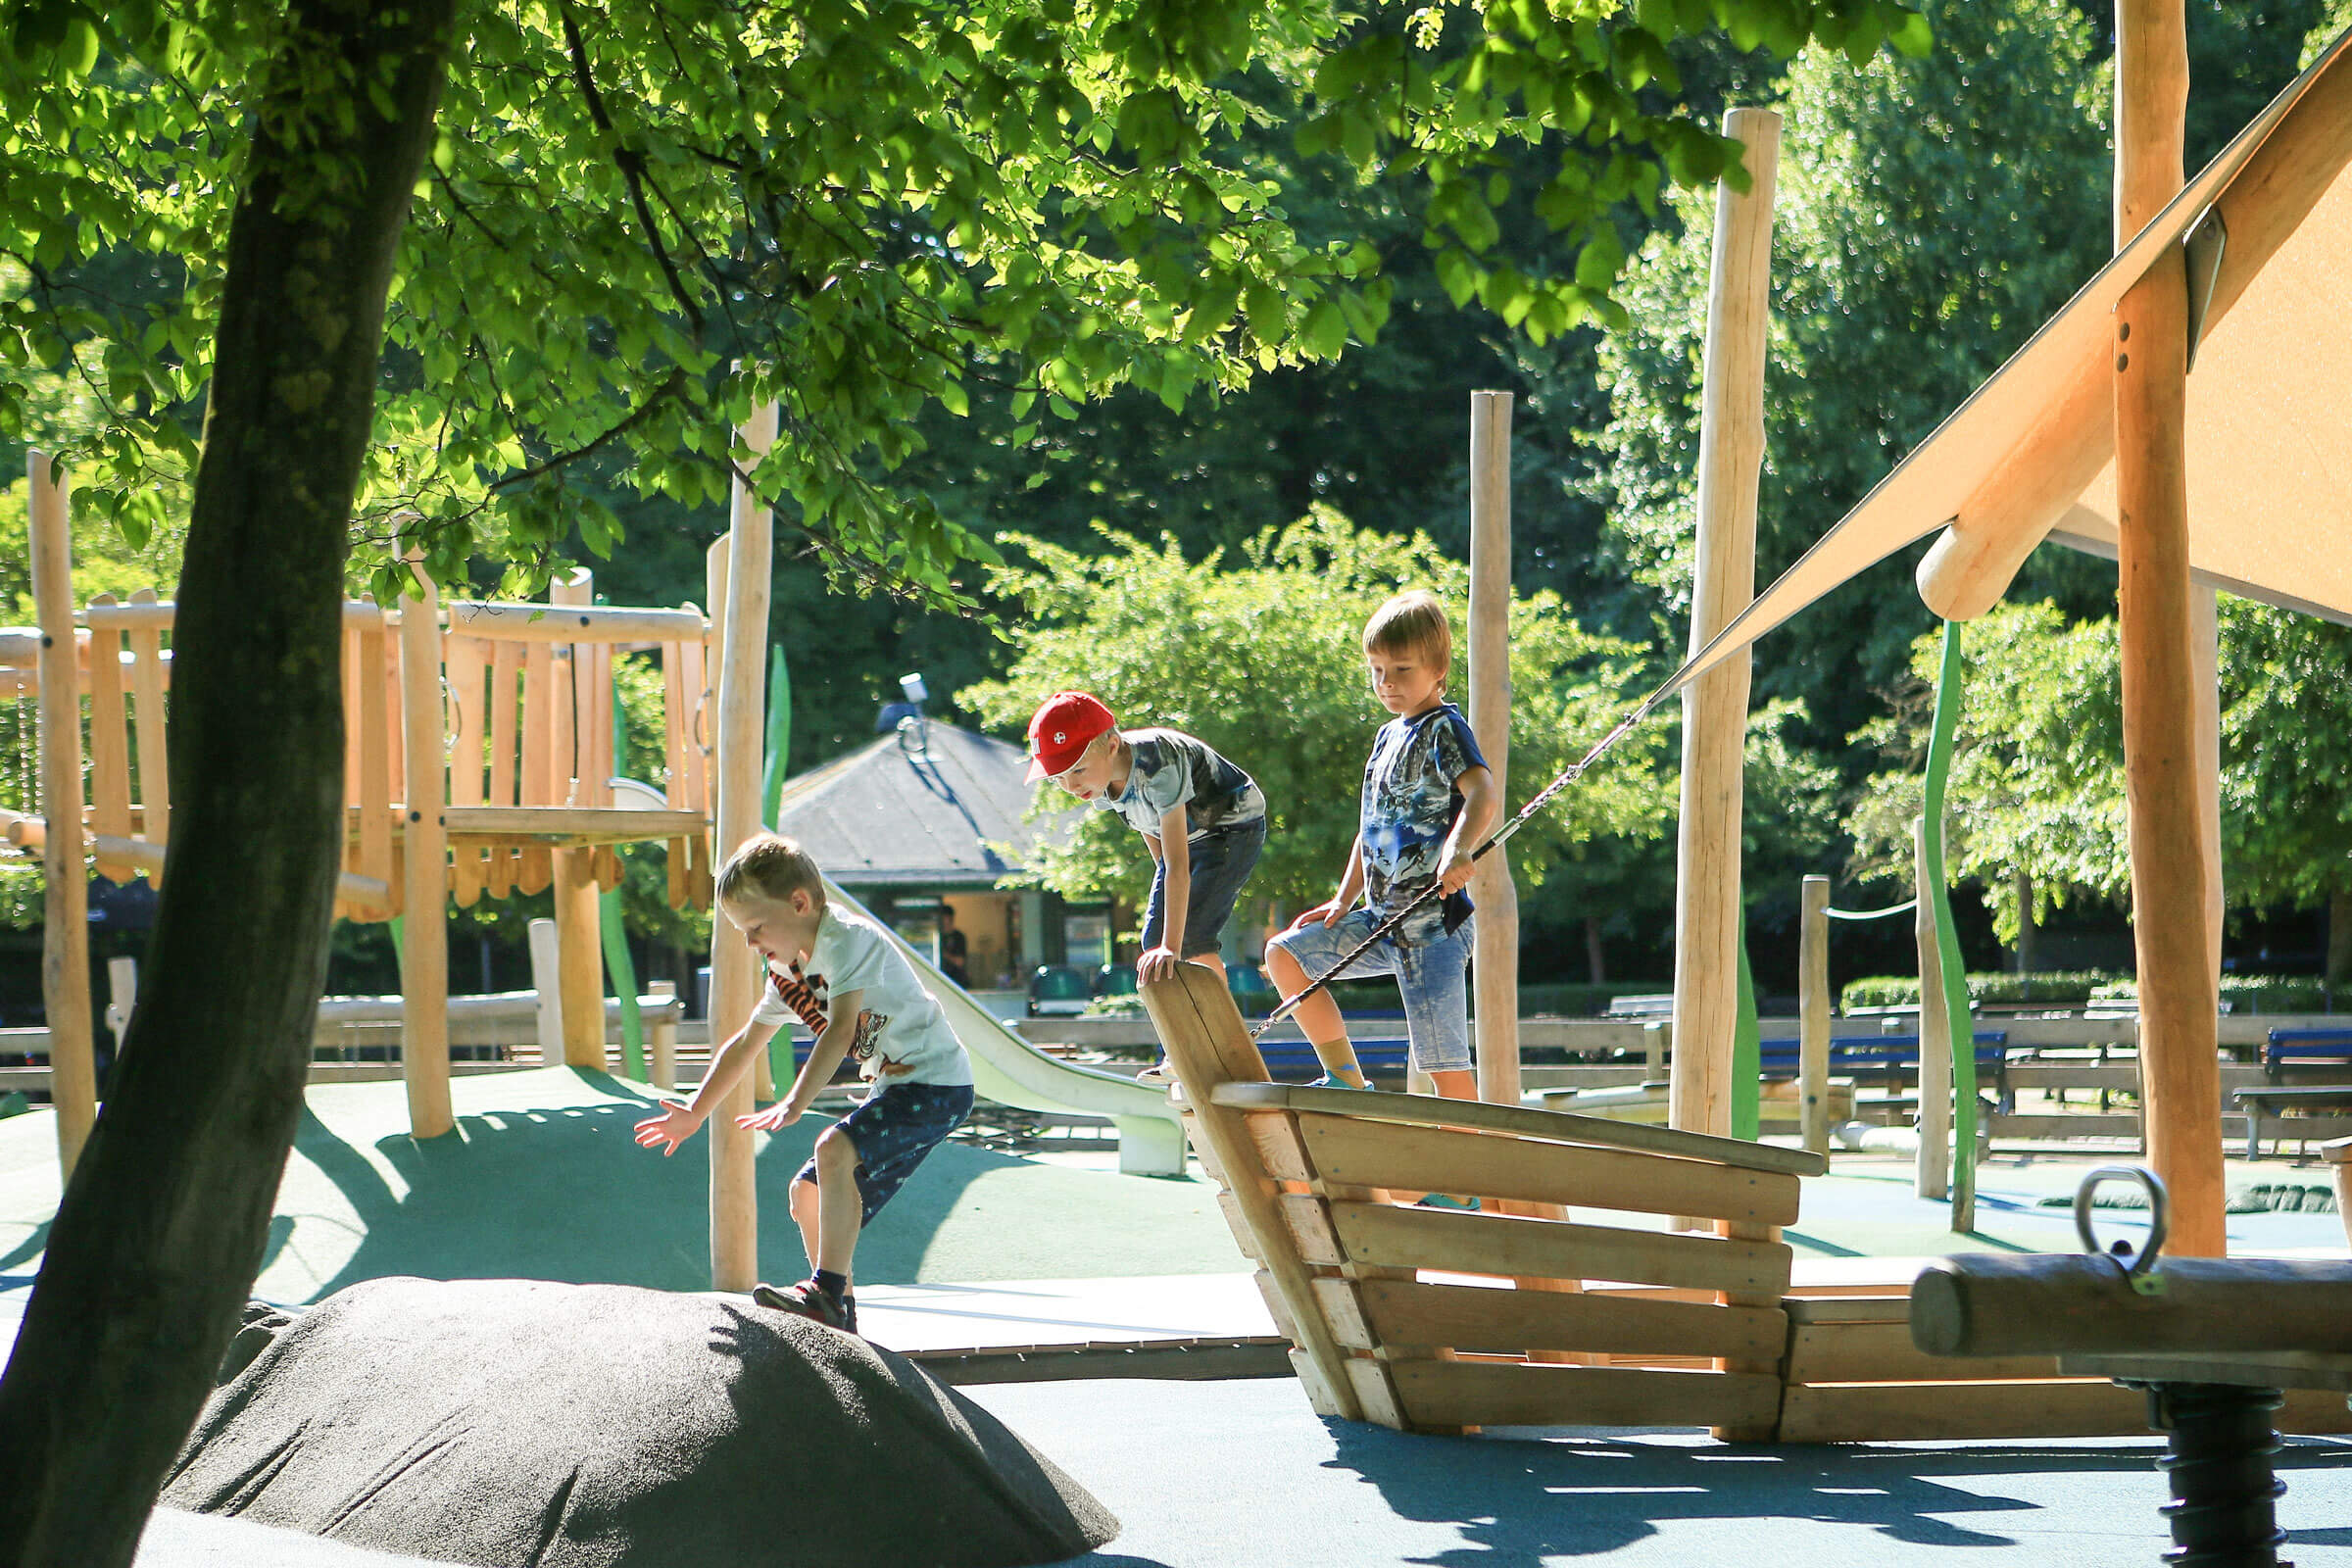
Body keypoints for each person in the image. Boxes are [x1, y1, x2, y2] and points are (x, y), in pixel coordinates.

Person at [634, 833, 974, 1334]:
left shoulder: (848, 941)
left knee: (833, 1147)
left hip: (937, 1084)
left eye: (755, 927)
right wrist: (695, 1111)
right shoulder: (788, 972)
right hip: (899, 1088)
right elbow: (748, 1040)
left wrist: (795, 1102)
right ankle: (842, 1313)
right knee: (806, 1193)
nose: (750, 943)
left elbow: (840, 1030)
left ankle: (827, 1294)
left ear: (799, 903)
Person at [1265, 589, 1496, 1123]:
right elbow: (1370, 826)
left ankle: (1469, 1181)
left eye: (1401, 669)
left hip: (1433, 926)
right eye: (1376, 670)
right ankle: (1345, 1076)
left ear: (1438, 670)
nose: (1386, 682)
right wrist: (1342, 899)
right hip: (1379, 921)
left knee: (1445, 1065)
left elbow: (1483, 793)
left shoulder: (1444, 728)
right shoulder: (1386, 736)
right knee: (1286, 954)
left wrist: (1458, 849)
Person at [1026, 691, 1267, 1074]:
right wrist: (1164, 934)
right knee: (1153, 943)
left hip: (1231, 825)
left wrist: (1173, 944)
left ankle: (1224, 1039)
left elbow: (1177, 864)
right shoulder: (1102, 784)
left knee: (1188, 939)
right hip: (1186, 840)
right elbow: (1151, 834)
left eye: (1077, 770)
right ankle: (1184, 1048)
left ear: (1112, 746)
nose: (1071, 786)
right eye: (1060, 777)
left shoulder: (1159, 767)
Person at [937, 903, 970, 989]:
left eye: (945, 918)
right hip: (940, 981)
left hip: (957, 982)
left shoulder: (959, 937)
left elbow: (960, 962)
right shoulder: (937, 936)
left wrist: (944, 955)